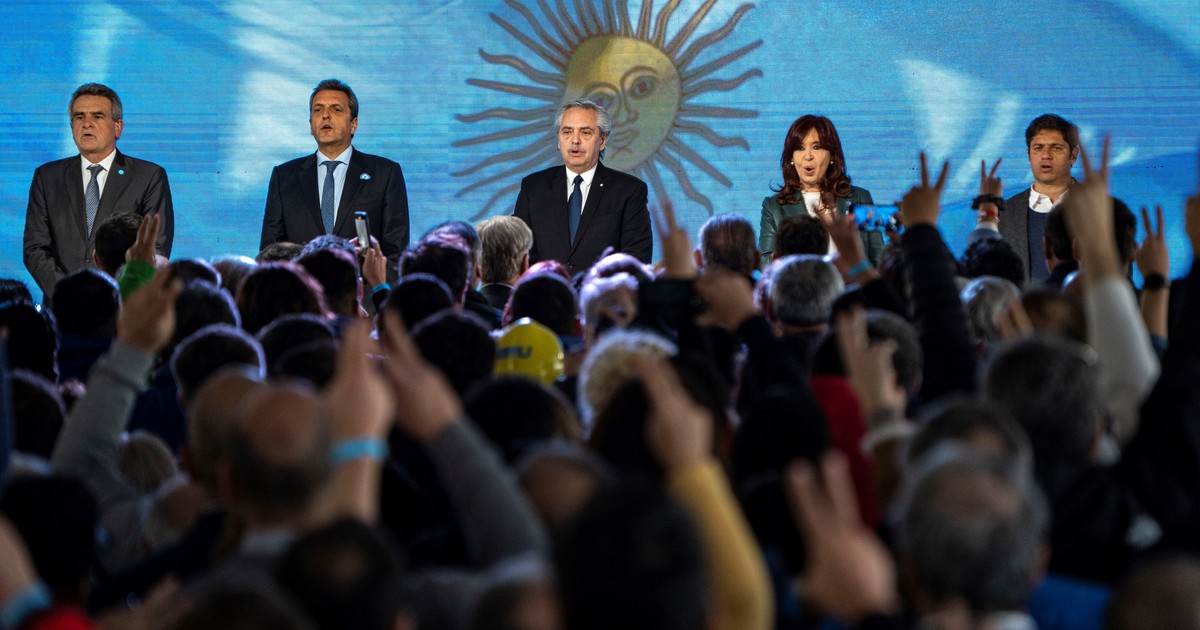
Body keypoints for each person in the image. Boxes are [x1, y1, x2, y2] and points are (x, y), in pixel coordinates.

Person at [24, 83, 174, 304]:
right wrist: (67, 294)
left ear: (118, 127)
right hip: (62, 309)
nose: (86, 123)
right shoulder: (47, 177)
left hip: (121, 308)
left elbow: (155, 249)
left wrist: (115, 296)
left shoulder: (149, 176)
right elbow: (35, 249)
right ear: (72, 126)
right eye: (79, 117)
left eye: (97, 116)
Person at [260, 79, 409, 280]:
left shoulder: (385, 173)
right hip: (302, 294)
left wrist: (370, 295)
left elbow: (396, 253)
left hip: (362, 296)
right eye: (318, 110)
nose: (325, 115)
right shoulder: (284, 177)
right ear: (311, 125)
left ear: (353, 124)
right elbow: (270, 253)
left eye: (336, 109)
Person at [513, 100, 652, 275]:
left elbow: (637, 259)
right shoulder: (533, 188)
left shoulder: (629, 191)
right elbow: (516, 253)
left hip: (602, 292)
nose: (575, 140)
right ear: (559, 140)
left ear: (602, 140)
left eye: (585, 132)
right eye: (567, 132)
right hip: (545, 290)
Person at [759, 115, 878, 266]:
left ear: (832, 156)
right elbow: (765, 263)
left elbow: (878, 258)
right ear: (791, 158)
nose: (808, 156)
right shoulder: (774, 206)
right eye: (800, 148)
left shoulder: (860, 198)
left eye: (816, 147)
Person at [998, 114, 1079, 282]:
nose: (1046, 155)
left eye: (1056, 148)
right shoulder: (1004, 214)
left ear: (1073, 155)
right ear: (1029, 155)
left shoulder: (1103, 209)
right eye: (1038, 148)